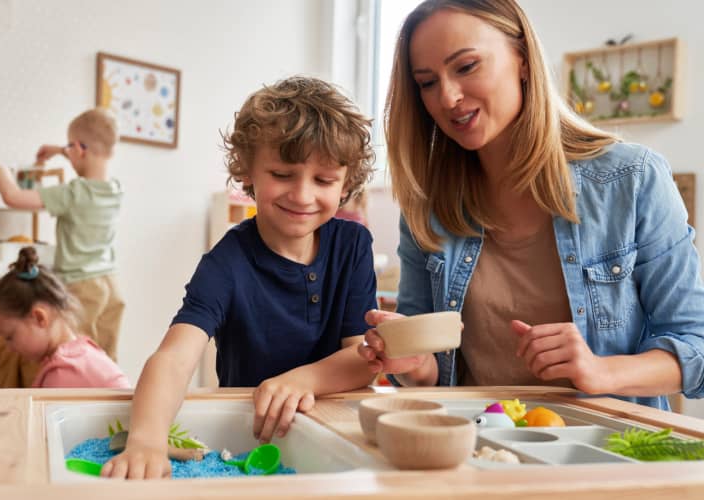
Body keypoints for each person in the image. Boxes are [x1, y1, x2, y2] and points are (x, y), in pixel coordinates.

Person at [358, 0, 704, 410]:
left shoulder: (632, 179)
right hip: (473, 439)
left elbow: (695, 346)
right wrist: (413, 364)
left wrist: (602, 371)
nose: (447, 97)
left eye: (466, 66)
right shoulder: (428, 205)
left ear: (522, 59)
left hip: (599, 443)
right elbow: (430, 371)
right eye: (427, 82)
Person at [102, 76, 377, 479]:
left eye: (323, 180)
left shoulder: (353, 245)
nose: (303, 195)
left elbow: (363, 357)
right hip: (254, 441)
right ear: (247, 171)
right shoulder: (226, 264)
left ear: (346, 183)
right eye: (282, 174)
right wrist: (146, 440)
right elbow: (174, 358)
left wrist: (303, 379)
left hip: (335, 428)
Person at [0, 107, 125, 383]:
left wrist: (0, 171)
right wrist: (61, 151)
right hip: (110, 286)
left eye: (69, 147)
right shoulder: (115, 189)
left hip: (82, 286)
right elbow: (89, 149)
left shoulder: (74, 192)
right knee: (102, 363)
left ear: (79, 149)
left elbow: (14, 197)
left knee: (70, 361)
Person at [0, 247, 130, 389]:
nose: (10, 348)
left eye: (10, 337)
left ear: (39, 318)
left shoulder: (63, 373)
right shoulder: (82, 353)